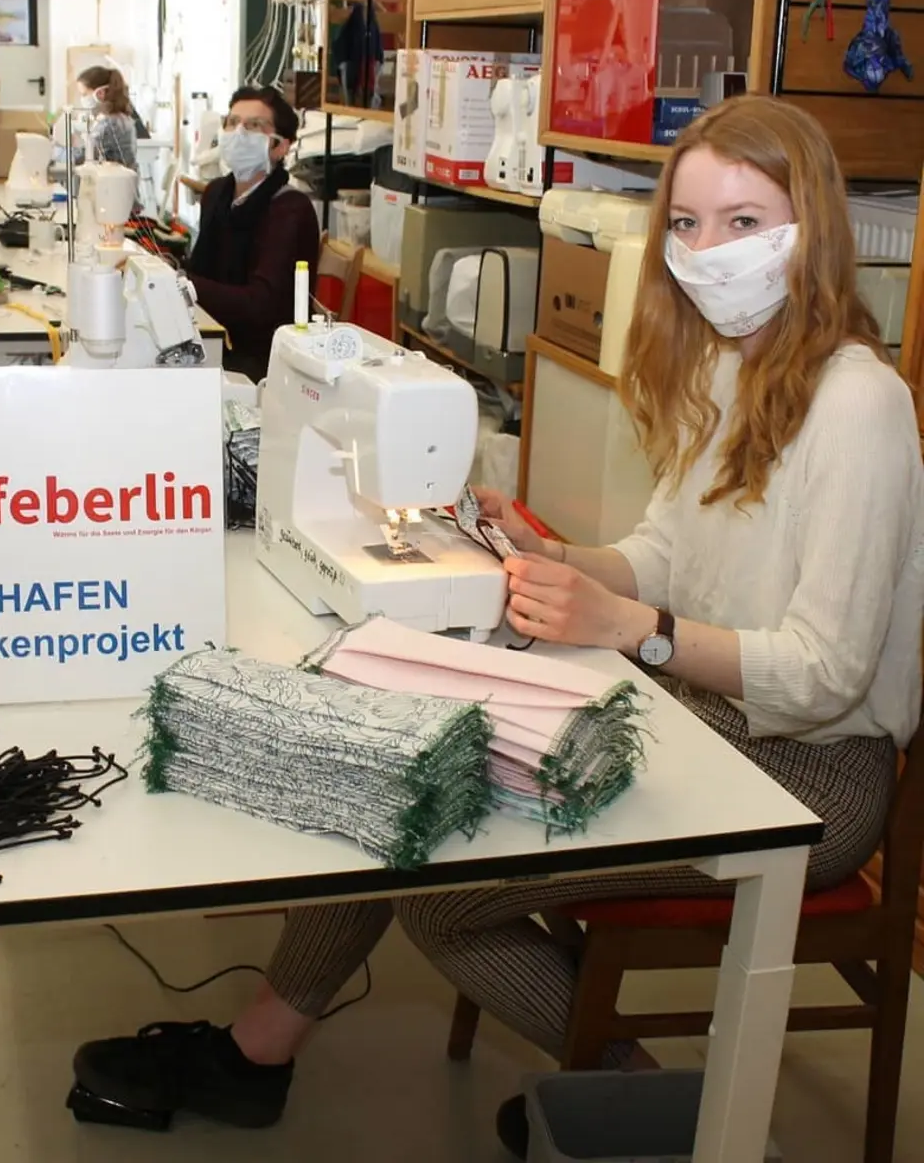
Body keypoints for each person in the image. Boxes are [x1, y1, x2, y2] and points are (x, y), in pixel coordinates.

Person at [69, 96, 924, 1156]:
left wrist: (635, 629)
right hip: (701, 711)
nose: (707, 251)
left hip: (807, 772)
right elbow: (661, 555)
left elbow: (825, 672)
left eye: (744, 222)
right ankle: (264, 1045)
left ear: (814, 226)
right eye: (688, 224)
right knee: (393, 759)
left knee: (434, 879)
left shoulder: (857, 406)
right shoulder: (722, 365)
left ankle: (645, 1100)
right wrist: (558, 562)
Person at [184, 85, 320, 381]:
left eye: (254, 125)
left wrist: (187, 285)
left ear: (280, 146)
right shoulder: (217, 192)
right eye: (232, 123)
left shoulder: (290, 210)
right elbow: (201, 271)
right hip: (215, 337)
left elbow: (261, 306)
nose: (239, 132)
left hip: (265, 360)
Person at [75, 65, 142, 171]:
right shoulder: (120, 118)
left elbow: (83, 156)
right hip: (121, 181)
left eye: (84, 94)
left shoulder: (110, 124)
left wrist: (55, 152)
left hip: (116, 184)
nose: (82, 99)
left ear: (100, 93)